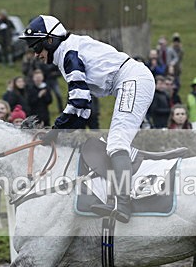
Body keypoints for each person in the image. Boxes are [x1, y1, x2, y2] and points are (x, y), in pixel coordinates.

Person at [19, 14, 156, 223]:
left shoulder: (69, 55)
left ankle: (123, 204)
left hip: (132, 80)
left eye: (37, 47)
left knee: (117, 143)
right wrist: (59, 132)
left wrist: (55, 131)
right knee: (114, 143)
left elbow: (79, 101)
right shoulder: (67, 52)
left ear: (50, 40)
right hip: (131, 80)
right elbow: (83, 109)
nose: (36, 54)